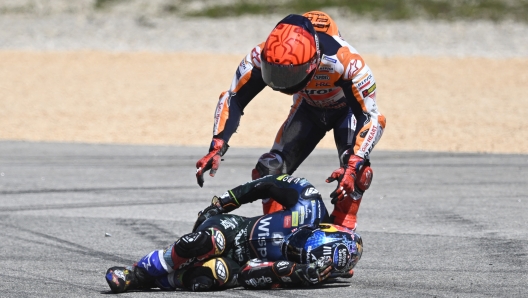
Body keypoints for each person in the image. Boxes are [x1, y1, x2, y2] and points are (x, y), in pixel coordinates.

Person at [195, 11, 386, 231]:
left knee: (356, 171)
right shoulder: (259, 54)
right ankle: (278, 232)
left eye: (290, 74)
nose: (279, 82)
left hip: (347, 112)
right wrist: (217, 144)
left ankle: (344, 230)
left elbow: (372, 118)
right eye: (273, 71)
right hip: (307, 109)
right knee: (268, 168)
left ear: (314, 61)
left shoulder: (346, 62)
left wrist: (352, 165)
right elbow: (233, 98)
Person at [105, 174, 363, 293]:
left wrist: (294, 273)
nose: (293, 250)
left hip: (238, 264)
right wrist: (224, 203)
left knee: (206, 279)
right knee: (204, 243)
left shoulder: (308, 270)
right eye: (302, 243)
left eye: (300, 256)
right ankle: (136, 273)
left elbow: (249, 273)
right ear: (321, 227)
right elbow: (267, 183)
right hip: (233, 228)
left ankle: (156, 282)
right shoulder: (310, 202)